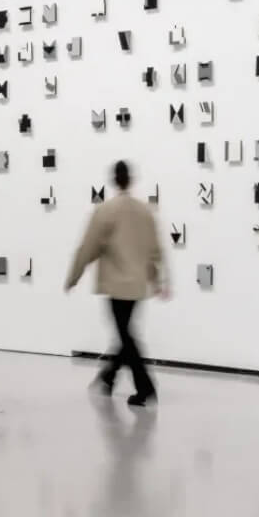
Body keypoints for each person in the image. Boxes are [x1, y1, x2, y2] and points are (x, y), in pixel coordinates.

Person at [65, 160, 167, 406]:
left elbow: (87, 248)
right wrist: (158, 279)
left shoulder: (105, 211)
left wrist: (73, 276)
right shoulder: (145, 211)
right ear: (130, 179)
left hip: (116, 285)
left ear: (114, 180)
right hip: (137, 286)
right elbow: (155, 249)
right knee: (125, 335)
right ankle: (108, 377)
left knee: (126, 336)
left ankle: (145, 388)